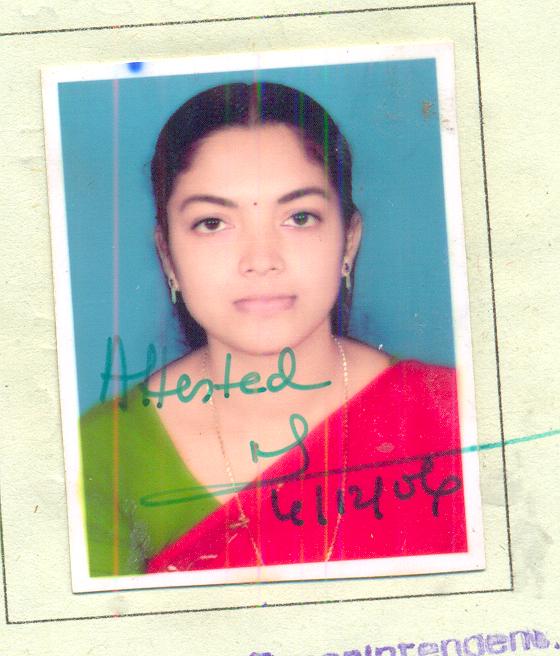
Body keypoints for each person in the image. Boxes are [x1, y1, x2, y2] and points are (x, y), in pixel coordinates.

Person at [80, 82, 467, 578]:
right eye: (212, 223)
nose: (261, 260)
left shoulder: (456, 416)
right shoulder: (102, 453)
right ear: (168, 256)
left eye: (299, 217)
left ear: (348, 242)